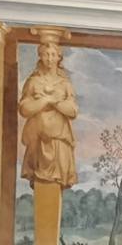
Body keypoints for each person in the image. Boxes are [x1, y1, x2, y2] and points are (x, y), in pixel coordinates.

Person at [19, 41, 79, 189]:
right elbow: (24, 109)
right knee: (41, 181)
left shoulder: (65, 84)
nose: (49, 59)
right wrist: (45, 100)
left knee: (56, 181)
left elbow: (72, 111)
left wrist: (54, 102)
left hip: (60, 138)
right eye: (46, 55)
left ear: (59, 57)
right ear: (40, 56)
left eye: (53, 55)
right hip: (38, 138)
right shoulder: (33, 82)